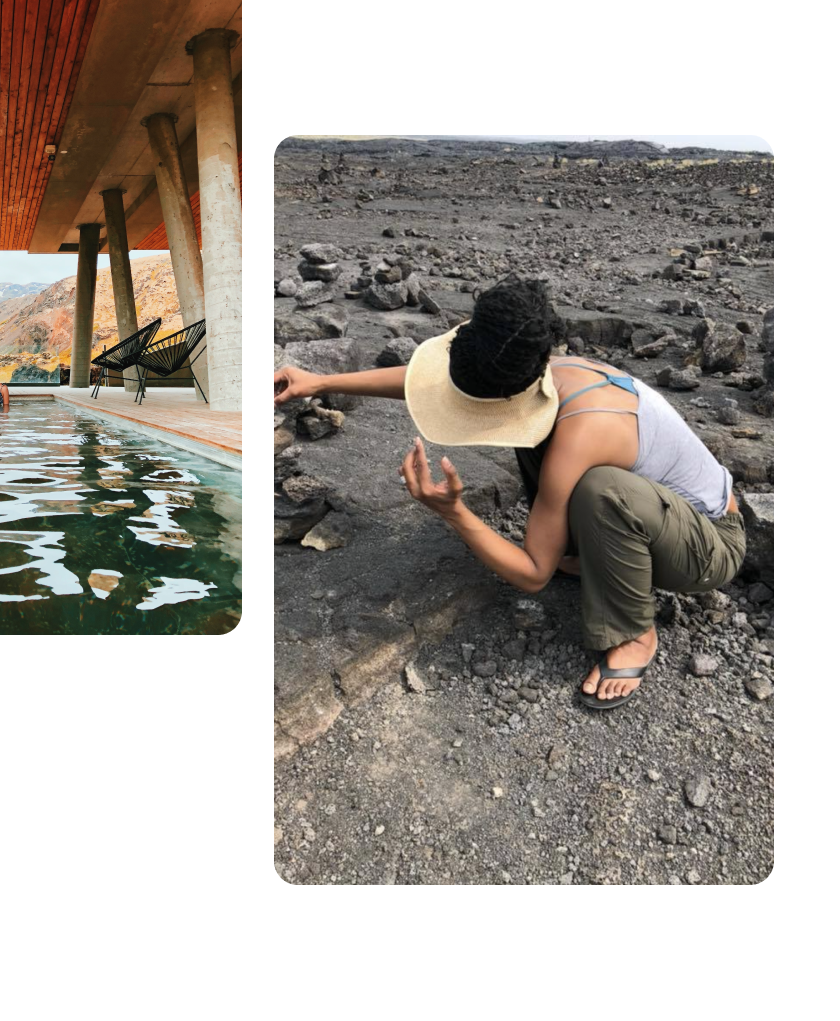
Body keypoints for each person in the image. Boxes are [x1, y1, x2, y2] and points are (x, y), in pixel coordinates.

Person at [274, 273, 746, 712]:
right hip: (661, 513)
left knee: (600, 490)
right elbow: (429, 384)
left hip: (708, 544)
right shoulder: (534, 365)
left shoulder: (584, 428)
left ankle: (635, 633)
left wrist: (454, 512)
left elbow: (533, 576)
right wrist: (321, 381)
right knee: (538, 441)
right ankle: (595, 556)